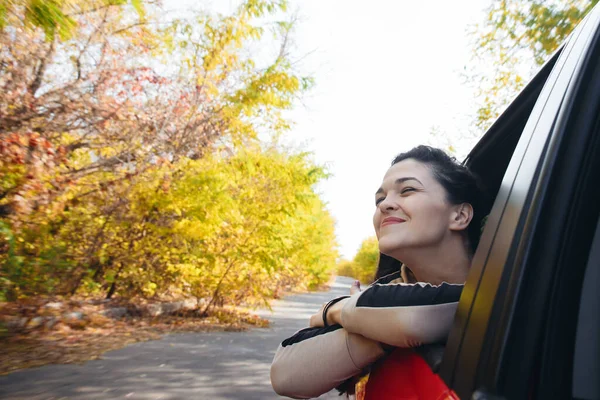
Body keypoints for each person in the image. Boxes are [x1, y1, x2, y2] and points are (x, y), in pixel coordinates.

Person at [270, 145, 487, 399]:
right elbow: (285, 375)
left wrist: (339, 310)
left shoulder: (504, 289)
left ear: (460, 215)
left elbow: (417, 319)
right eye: (379, 199)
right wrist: (377, 327)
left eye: (407, 190)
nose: (385, 205)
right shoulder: (384, 294)